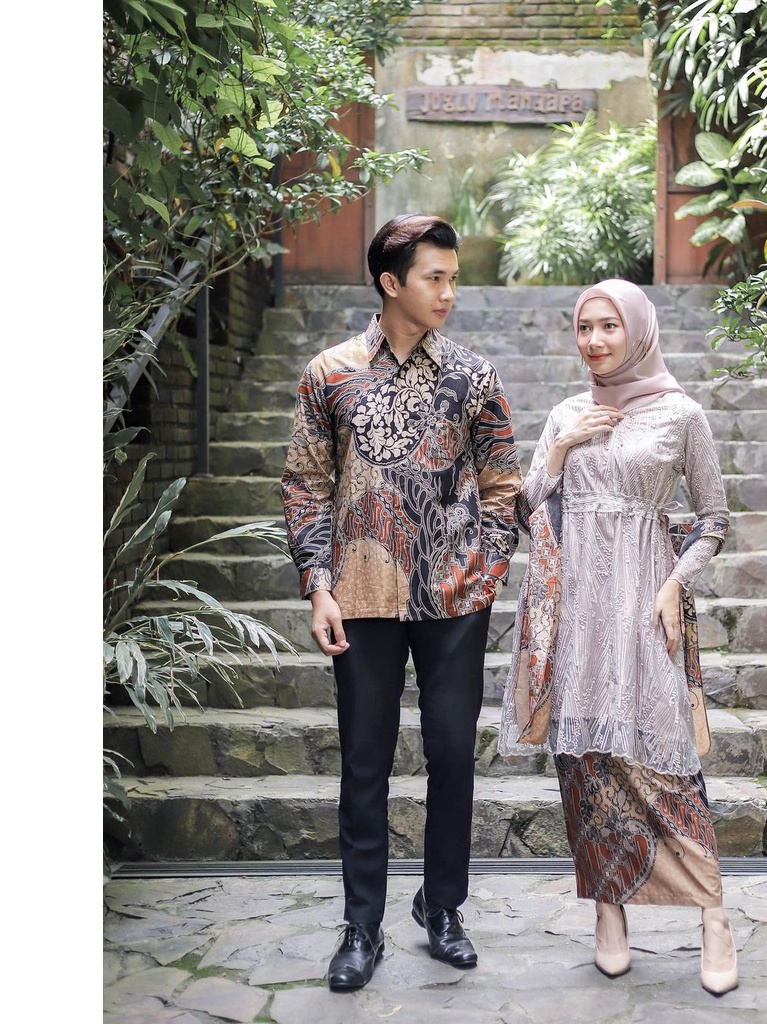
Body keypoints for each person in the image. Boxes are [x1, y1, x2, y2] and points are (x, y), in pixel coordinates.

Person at [281, 214, 522, 991]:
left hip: (454, 598)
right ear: (391, 283)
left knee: (451, 754)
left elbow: (503, 482)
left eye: (454, 278)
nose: (448, 292)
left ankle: (442, 908)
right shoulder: (330, 373)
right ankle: (362, 926)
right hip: (360, 595)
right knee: (364, 764)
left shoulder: (474, 376)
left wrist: (485, 571)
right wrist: (319, 586)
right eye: (434, 278)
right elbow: (306, 485)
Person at [497, 278, 739, 995]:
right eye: (585, 327)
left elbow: (714, 518)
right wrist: (559, 451)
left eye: (609, 326)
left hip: (645, 606)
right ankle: (608, 908)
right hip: (576, 613)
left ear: (637, 330)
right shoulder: (566, 413)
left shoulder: (681, 414)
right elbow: (523, 511)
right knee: (587, 762)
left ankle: (713, 915)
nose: (596, 340)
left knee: (668, 762)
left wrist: (674, 584)